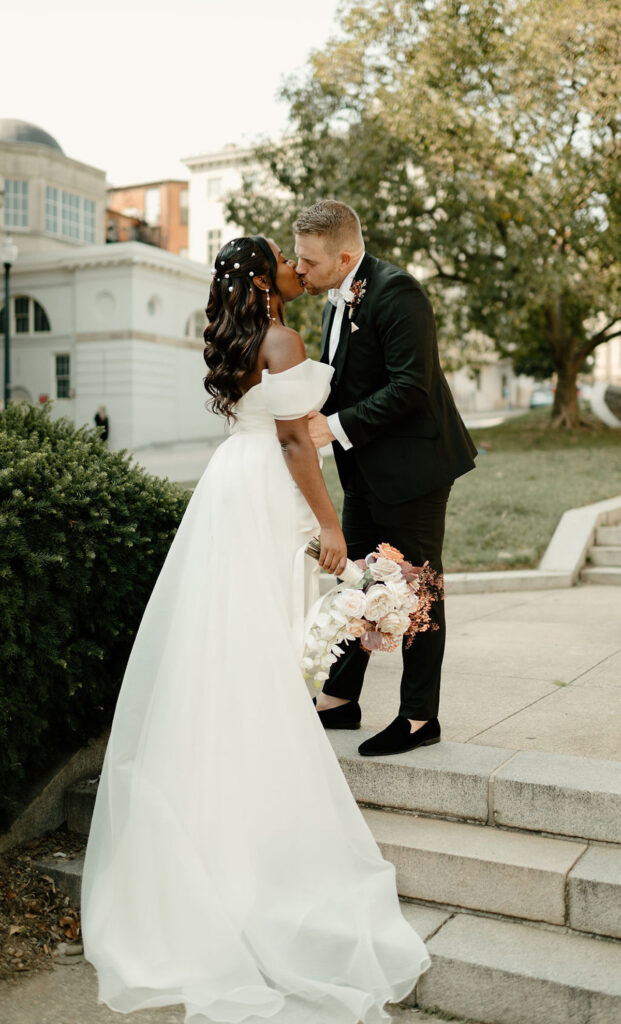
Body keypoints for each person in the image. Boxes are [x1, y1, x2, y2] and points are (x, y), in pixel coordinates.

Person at [81, 234, 430, 1024]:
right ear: (264, 275)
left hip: (226, 491)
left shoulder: (236, 340)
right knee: (262, 642)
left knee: (228, 643)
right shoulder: (283, 339)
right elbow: (295, 443)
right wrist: (330, 524)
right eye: (281, 258)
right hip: (269, 488)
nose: (289, 269)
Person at [294, 200, 477, 758]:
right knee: (358, 580)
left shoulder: (399, 293)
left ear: (345, 256)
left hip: (415, 469)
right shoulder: (334, 296)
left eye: (308, 262)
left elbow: (410, 387)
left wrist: (333, 427)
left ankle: (421, 718)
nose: (299, 270)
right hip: (366, 469)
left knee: (417, 589)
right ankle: (339, 700)